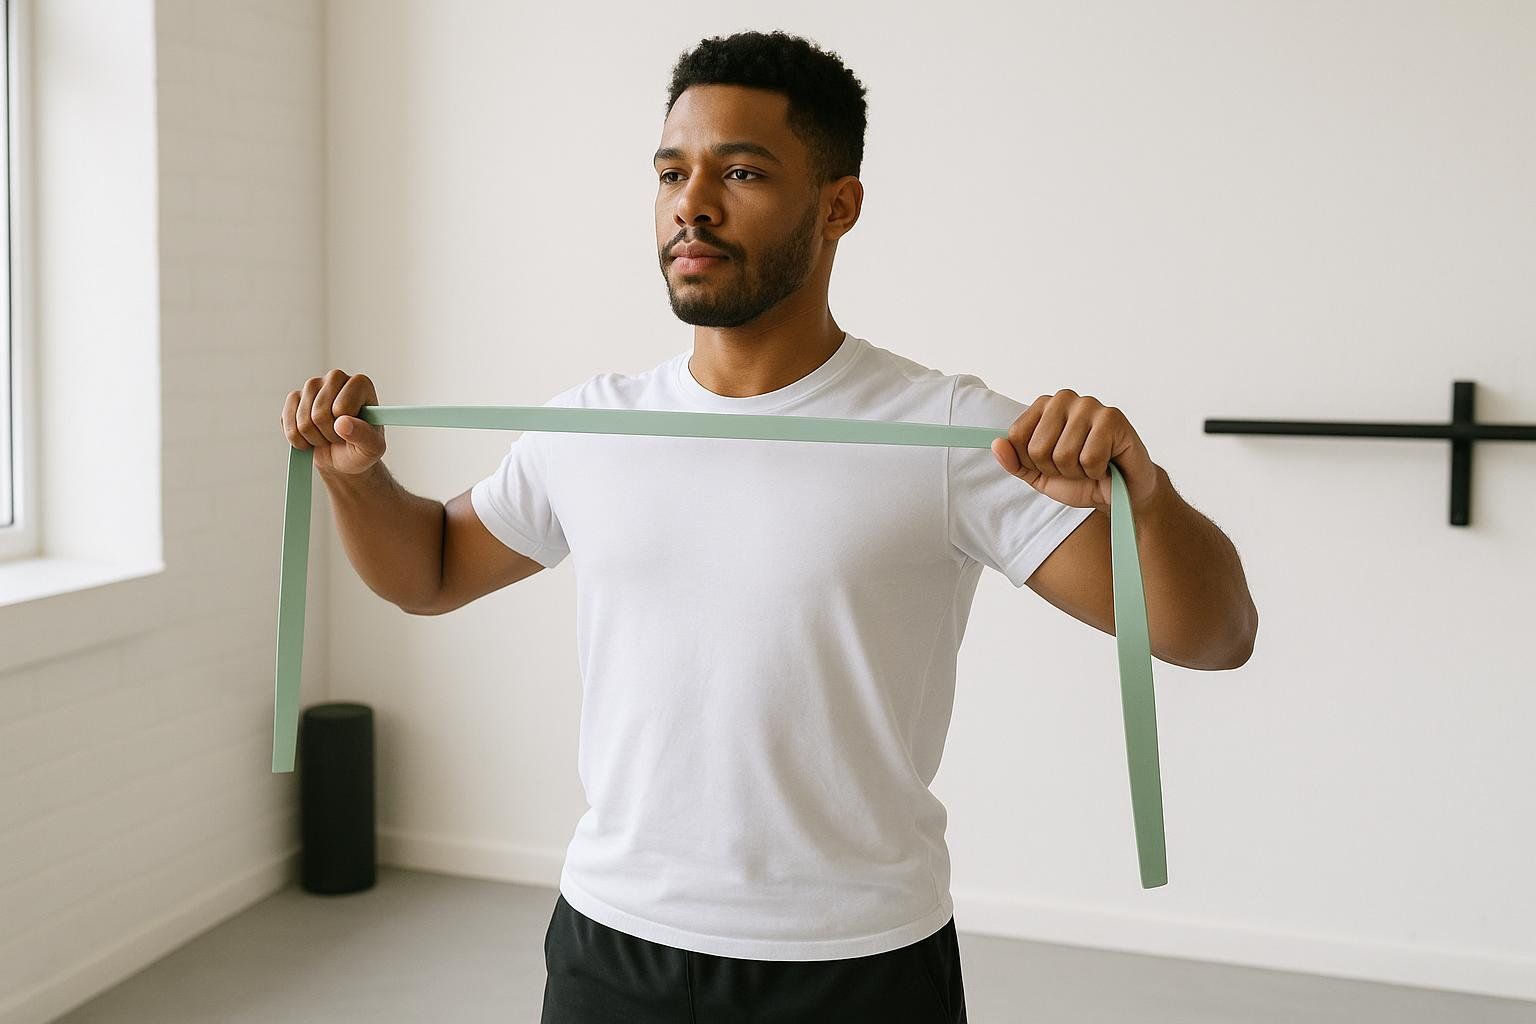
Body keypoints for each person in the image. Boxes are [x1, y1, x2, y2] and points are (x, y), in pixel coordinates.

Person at [280, 29, 1258, 1024]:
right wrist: (358, 481)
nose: (692, 204)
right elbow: (431, 570)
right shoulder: (593, 425)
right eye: (672, 172)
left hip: (856, 963)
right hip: (613, 944)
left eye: (741, 172)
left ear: (839, 206)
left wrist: (1147, 495)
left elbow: (1215, 634)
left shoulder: (954, 433)